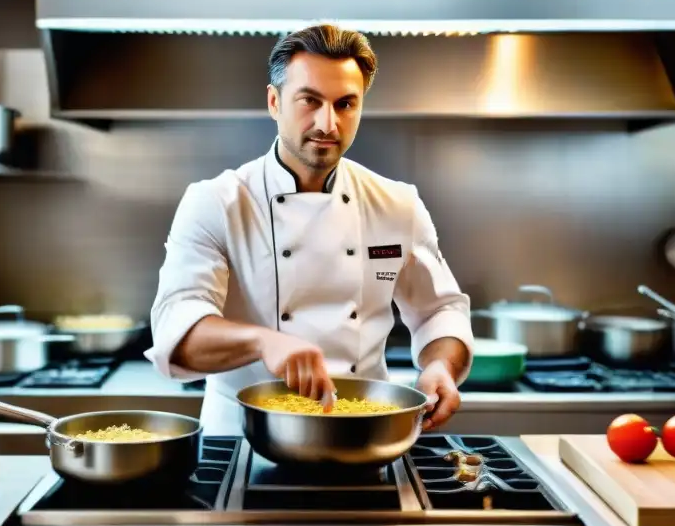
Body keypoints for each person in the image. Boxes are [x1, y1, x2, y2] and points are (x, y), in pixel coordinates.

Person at [146, 24, 474, 436]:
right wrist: (264, 342)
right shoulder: (216, 202)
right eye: (310, 101)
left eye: (345, 104)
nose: (328, 124)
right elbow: (177, 328)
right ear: (274, 101)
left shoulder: (397, 204)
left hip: (363, 434)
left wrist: (440, 366)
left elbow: (440, 310)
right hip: (243, 438)